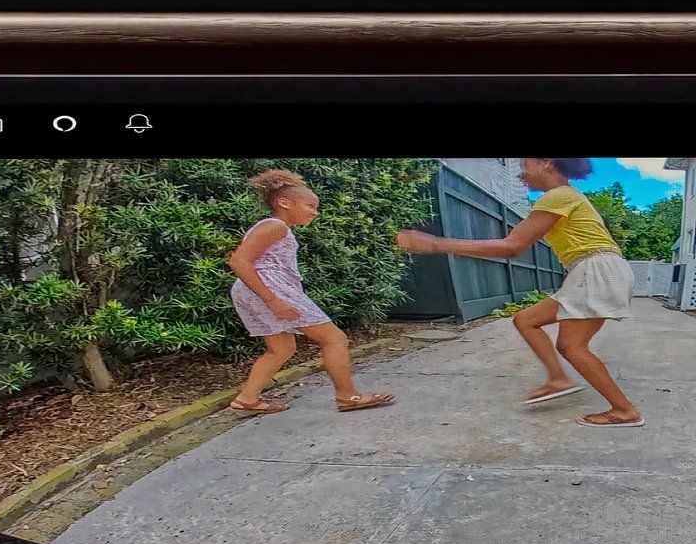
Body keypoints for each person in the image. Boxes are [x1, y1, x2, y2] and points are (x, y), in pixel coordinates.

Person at [396, 157, 642, 428]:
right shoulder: (565, 197)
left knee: (572, 346)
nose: (521, 176)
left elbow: (512, 246)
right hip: (596, 269)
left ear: (546, 163)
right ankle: (557, 378)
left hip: (595, 269)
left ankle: (624, 410)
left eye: (525, 167)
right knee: (526, 320)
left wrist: (435, 244)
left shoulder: (558, 195)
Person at [227, 169, 396, 415]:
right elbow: (239, 262)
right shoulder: (275, 226)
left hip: (252, 289)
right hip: (270, 288)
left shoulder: (274, 227)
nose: (314, 212)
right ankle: (348, 396)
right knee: (335, 339)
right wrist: (273, 300)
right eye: (310, 206)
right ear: (284, 203)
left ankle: (247, 399)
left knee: (281, 349)